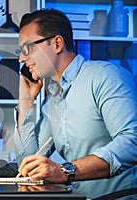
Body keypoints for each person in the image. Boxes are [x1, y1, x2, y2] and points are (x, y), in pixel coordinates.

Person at [14, 8, 137, 199]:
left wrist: (64, 171)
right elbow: (27, 166)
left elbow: (132, 142)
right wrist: (26, 101)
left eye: (27, 49)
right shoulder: (52, 100)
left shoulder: (105, 76)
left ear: (56, 44)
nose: (21, 58)